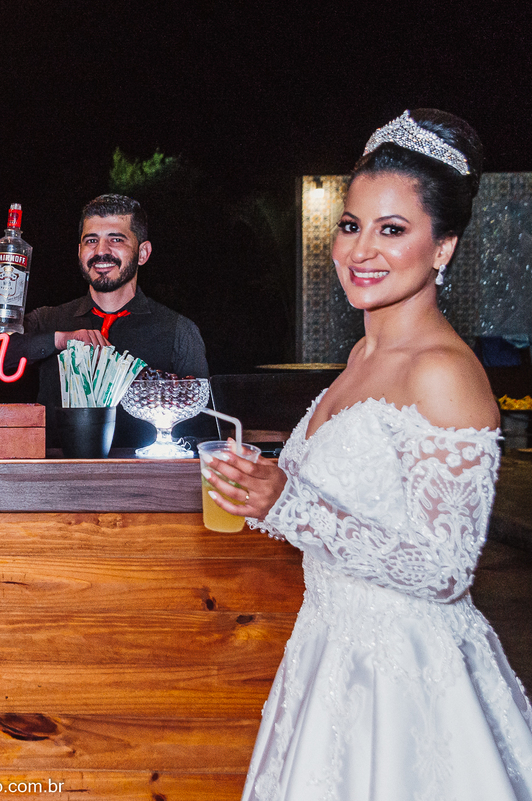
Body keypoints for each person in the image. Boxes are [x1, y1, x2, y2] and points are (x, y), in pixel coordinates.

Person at [206, 109, 532, 800]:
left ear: (443, 247)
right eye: (352, 225)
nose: (361, 250)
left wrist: (287, 503)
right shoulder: (362, 354)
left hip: (403, 677)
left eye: (392, 229)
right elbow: (347, 505)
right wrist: (262, 484)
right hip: (328, 652)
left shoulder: (443, 371)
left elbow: (445, 569)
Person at [0, 194, 209, 448]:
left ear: (143, 253)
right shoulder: (49, 320)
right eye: (91, 240)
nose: (101, 251)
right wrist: (58, 340)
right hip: (56, 472)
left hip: (147, 473)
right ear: (80, 251)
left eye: (116, 239)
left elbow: (202, 430)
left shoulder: (178, 330)